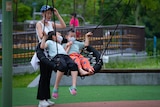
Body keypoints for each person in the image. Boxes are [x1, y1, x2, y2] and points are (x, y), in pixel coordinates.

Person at [36, 5, 66, 107]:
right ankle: (41, 100)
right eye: (47, 13)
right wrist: (50, 35)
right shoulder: (39, 24)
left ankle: (46, 98)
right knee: (43, 76)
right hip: (43, 51)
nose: (49, 15)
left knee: (48, 76)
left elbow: (63, 26)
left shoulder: (51, 23)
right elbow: (41, 36)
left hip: (51, 53)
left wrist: (57, 15)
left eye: (50, 13)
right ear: (43, 13)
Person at [40, 31, 78, 99]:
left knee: (74, 65)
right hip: (57, 56)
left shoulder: (59, 44)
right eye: (58, 35)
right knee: (62, 66)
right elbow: (42, 46)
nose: (60, 37)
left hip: (65, 56)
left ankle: (73, 86)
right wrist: (44, 38)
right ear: (53, 36)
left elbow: (64, 52)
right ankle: (56, 87)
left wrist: (68, 46)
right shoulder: (49, 42)